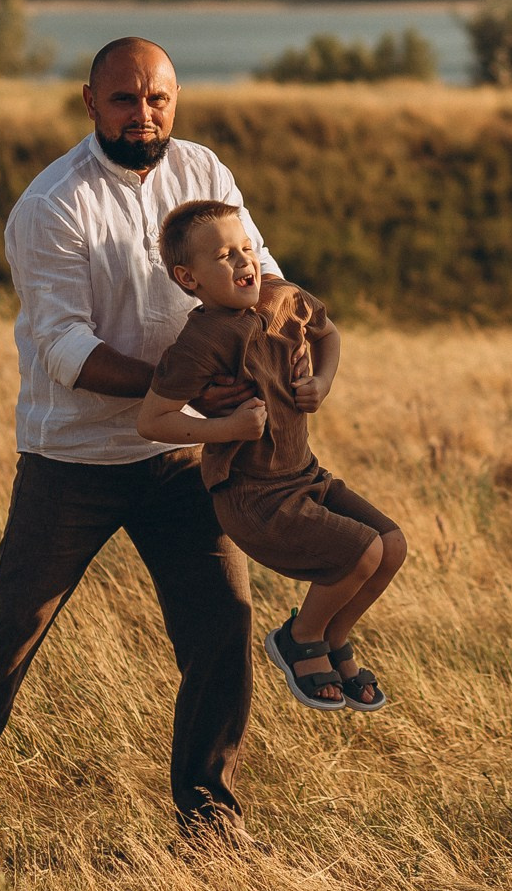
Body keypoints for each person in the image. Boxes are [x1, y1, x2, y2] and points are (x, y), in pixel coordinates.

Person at [0, 37, 278, 858]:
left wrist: (289, 334)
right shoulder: (53, 205)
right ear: (89, 102)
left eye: (158, 99)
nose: (143, 115)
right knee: (9, 634)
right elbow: (66, 351)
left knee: (223, 624)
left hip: (182, 457)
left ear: (176, 99)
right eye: (124, 99)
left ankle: (209, 825)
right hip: (73, 461)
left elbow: (259, 273)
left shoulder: (206, 174)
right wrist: (180, 384)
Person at [138, 201, 405, 712]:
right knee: (362, 550)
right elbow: (153, 420)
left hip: (305, 475)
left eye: (246, 249)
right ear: (187, 277)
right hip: (252, 495)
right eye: (223, 256)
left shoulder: (285, 298)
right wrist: (226, 427)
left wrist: (321, 383)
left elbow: (330, 336)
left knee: (391, 545)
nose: (244, 263)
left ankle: (332, 637)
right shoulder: (202, 341)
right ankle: (297, 637)